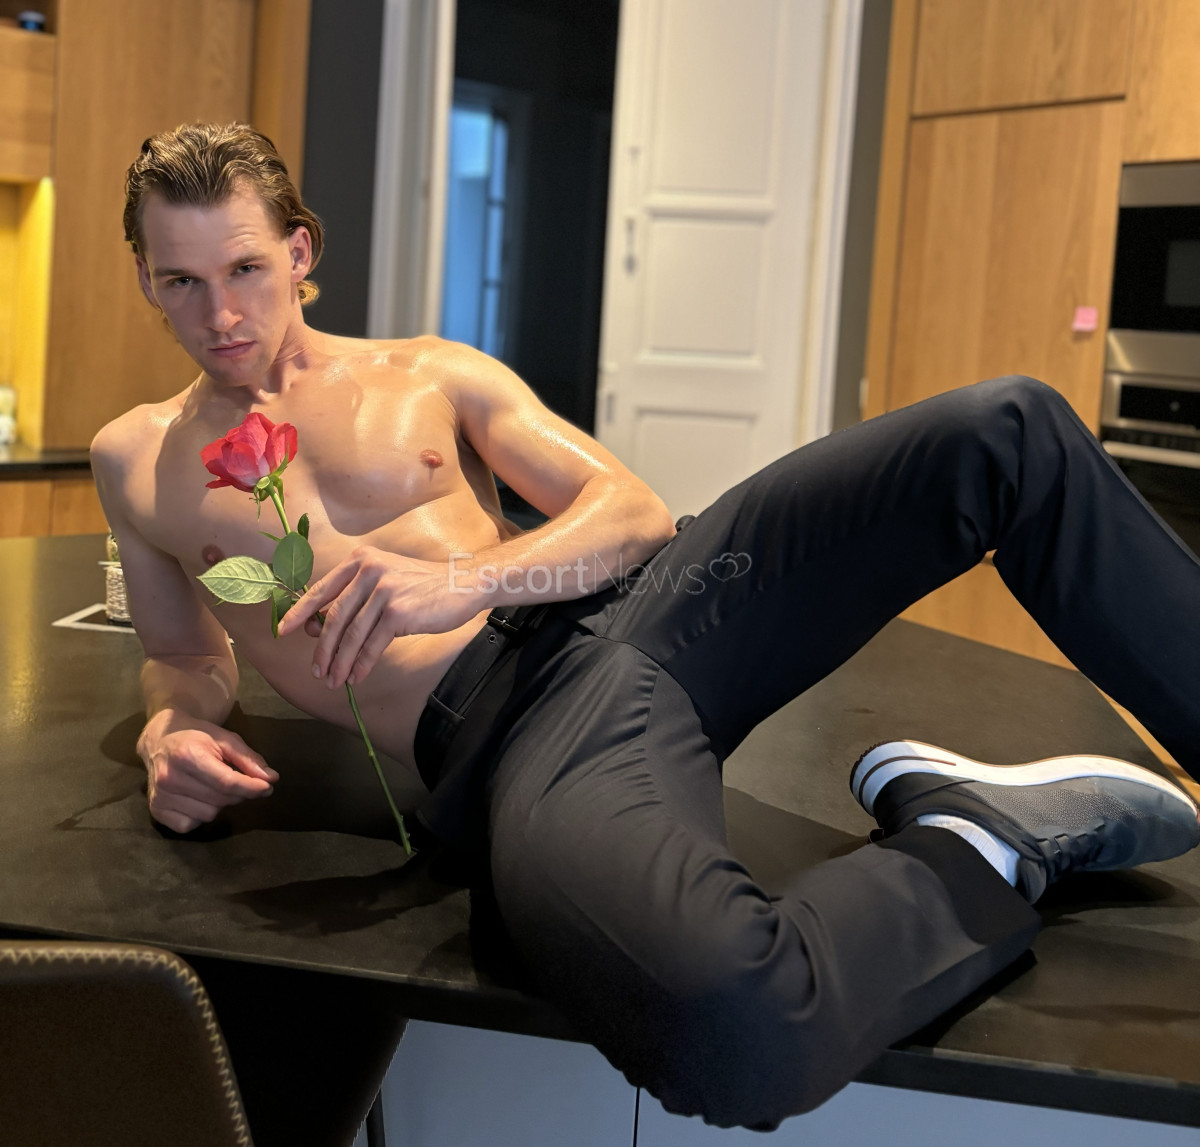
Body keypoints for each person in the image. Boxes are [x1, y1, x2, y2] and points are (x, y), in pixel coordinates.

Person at [92, 122, 1200, 1131]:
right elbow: (184, 655)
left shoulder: (425, 372)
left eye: (244, 268)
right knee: (734, 1031)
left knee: (1004, 433)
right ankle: (983, 835)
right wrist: (168, 732)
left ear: (298, 250)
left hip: (673, 599)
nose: (221, 315)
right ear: (147, 277)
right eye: (182, 281)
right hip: (533, 738)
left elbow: (632, 514)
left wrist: (464, 578)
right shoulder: (135, 460)